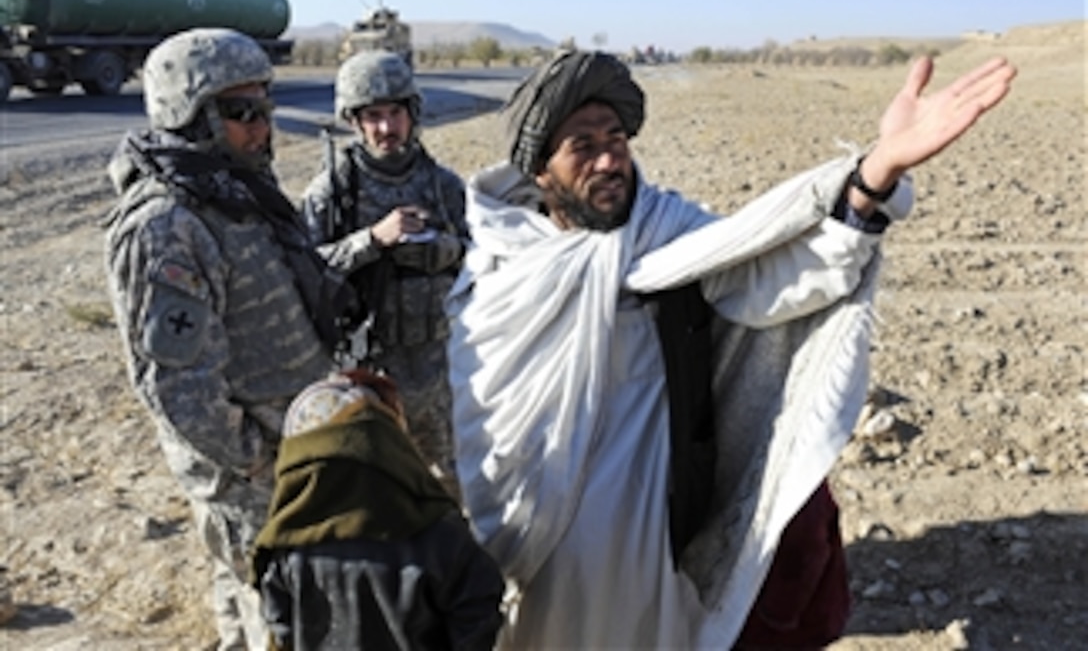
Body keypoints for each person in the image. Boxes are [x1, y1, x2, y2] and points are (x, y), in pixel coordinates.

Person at [445, 49, 1016, 648]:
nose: (610, 159)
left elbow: (770, 264)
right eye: (582, 147)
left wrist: (877, 172)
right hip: (544, 528)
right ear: (541, 170)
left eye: (617, 137)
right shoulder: (501, 265)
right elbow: (484, 406)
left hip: (652, 516)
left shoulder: (664, 228)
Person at [104, 27, 355, 650]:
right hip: (253, 475)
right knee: (283, 615)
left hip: (289, 452)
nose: (262, 126)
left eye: (265, 107)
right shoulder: (169, 225)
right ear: (190, 117)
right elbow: (180, 388)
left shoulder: (234, 191)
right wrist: (262, 464)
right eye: (241, 112)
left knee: (248, 600)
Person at [300, 49, 469, 492]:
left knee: (449, 479)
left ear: (412, 113)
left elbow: (483, 256)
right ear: (353, 121)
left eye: (395, 113)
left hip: (440, 364)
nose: (386, 128)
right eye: (373, 116)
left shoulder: (443, 185)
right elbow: (306, 272)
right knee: (380, 486)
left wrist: (439, 250)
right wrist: (372, 241)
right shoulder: (333, 193)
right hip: (370, 369)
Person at [250, 368, 506, 650]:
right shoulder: (439, 537)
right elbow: (478, 615)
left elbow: (282, 632)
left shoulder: (285, 551)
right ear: (388, 448)